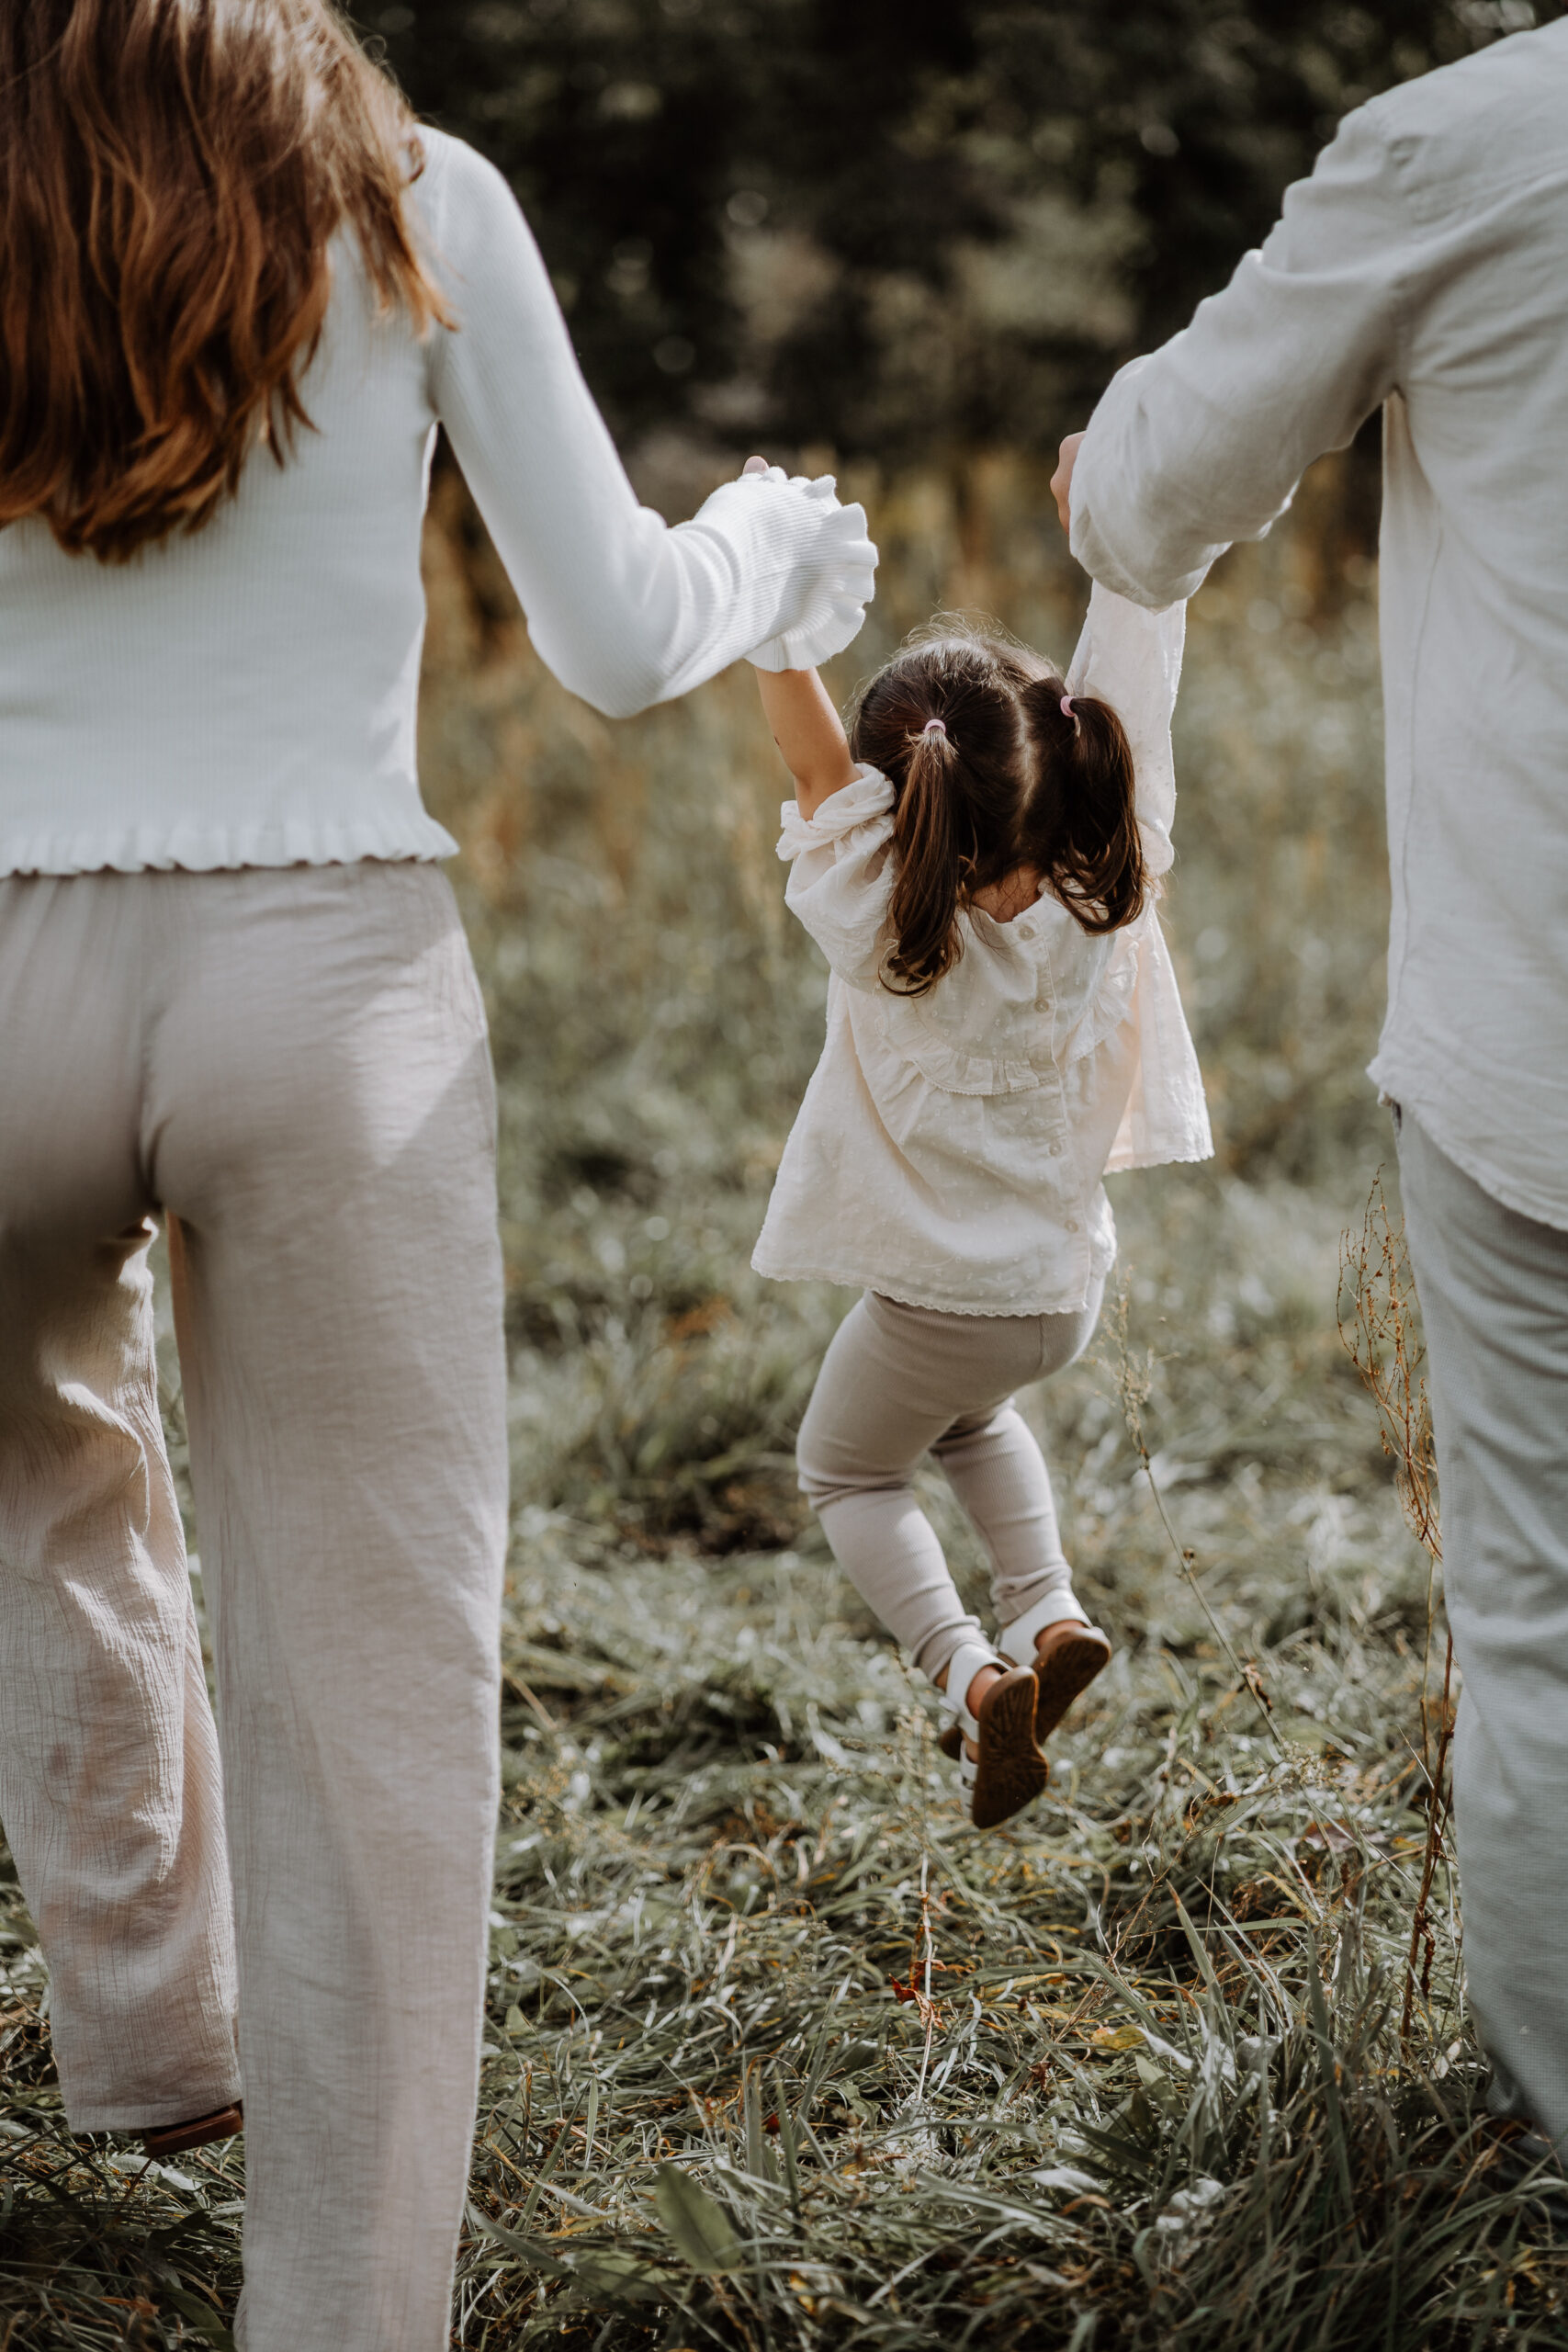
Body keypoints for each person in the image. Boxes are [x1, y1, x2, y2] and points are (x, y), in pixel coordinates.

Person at [0, 5, 875, 2346]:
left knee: (40, 1481)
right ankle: (345, 2313)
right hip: (323, 974)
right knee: (374, 1674)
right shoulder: (409, 193)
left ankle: (144, 2018)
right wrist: (777, 539)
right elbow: (607, 641)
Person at [1050, 18, 1568, 2145]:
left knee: (1539, 1623)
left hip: (1537, 1036)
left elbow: (1152, 491)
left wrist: (1103, 480)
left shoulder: (1471, 141)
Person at [747, 563, 1211, 1827]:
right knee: (964, 1419)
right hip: (1056, 1295)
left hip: (935, 1298)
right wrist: (1132, 540)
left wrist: (775, 609)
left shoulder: (886, 918)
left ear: (898, 818)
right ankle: (1049, 1609)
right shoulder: (1109, 873)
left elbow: (807, 769)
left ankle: (970, 1673)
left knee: (845, 1475)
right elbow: (1134, 681)